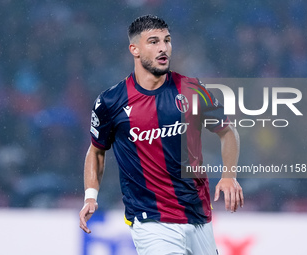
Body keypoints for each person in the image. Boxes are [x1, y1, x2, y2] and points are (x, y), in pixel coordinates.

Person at [79, 14, 244, 255]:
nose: (163, 47)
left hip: (198, 216)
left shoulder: (192, 90)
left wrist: (229, 176)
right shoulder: (111, 102)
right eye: (154, 41)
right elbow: (96, 151)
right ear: (134, 49)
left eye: (167, 40)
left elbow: (228, 132)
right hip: (151, 221)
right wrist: (90, 196)